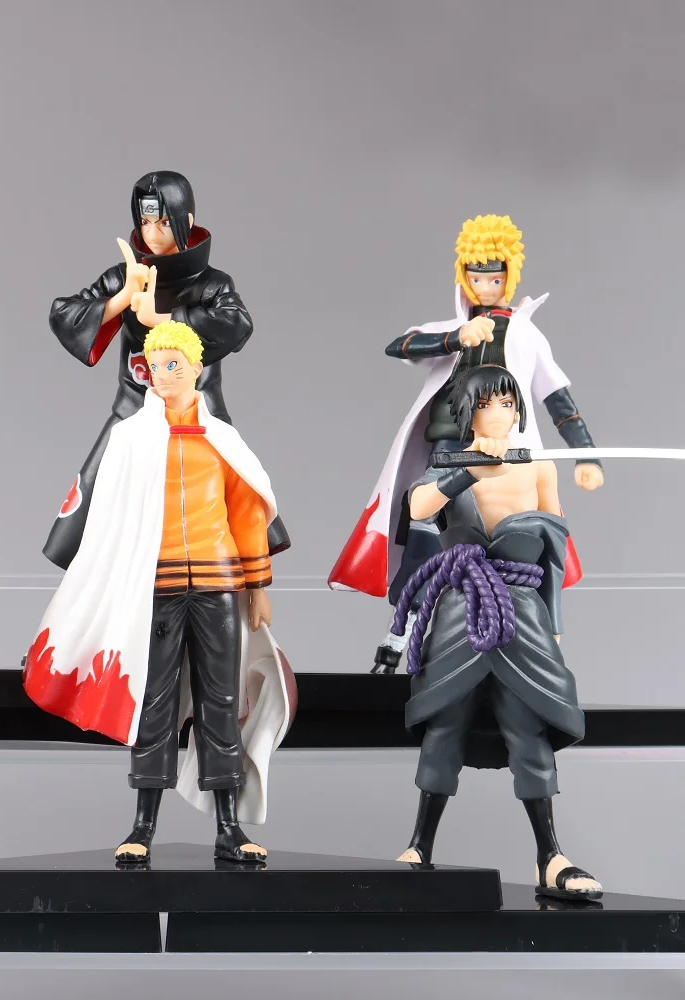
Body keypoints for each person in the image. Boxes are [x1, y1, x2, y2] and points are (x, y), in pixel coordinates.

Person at [24, 320, 295, 864]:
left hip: (219, 583)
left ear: (198, 368)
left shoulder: (222, 440)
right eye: (155, 366)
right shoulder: (130, 439)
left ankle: (228, 826)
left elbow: (246, 515)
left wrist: (258, 584)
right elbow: (109, 521)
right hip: (155, 586)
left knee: (222, 702)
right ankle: (142, 824)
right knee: (153, 702)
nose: (164, 375)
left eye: (175, 364)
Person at [327, 215, 600, 672]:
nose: (485, 287)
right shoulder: (453, 328)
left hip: (505, 456)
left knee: (518, 544)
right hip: (449, 449)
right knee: (424, 535)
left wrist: (585, 454)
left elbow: (558, 399)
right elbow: (400, 346)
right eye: (476, 278)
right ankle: (399, 636)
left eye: (495, 279)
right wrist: (455, 338)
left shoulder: (525, 335)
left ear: (510, 277)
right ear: (463, 277)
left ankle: (534, 640)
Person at [392, 364, 601, 902]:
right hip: (461, 609)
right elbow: (418, 508)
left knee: (527, 727)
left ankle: (550, 855)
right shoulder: (447, 463)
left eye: (508, 403)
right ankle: (418, 845)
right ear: (467, 410)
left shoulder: (540, 468)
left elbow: (553, 556)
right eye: (487, 403)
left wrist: (554, 624)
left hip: (523, 613)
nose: (499, 413)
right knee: (445, 724)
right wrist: (467, 472)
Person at [44, 170, 289, 569]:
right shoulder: (125, 276)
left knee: (238, 490)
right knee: (96, 496)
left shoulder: (212, 283)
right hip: (133, 407)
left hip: (201, 410)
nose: (153, 232)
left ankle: (249, 576)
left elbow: (236, 324)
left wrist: (162, 318)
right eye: (145, 221)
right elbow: (64, 313)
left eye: (163, 222)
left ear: (185, 221)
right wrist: (122, 298)